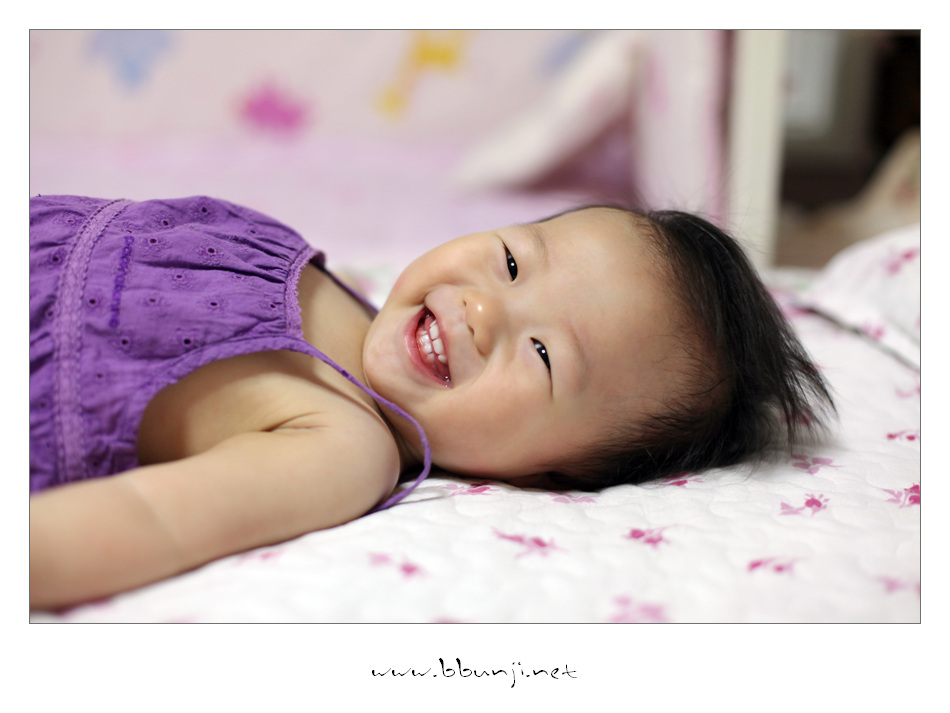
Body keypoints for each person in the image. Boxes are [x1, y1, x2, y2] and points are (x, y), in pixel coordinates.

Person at [29, 195, 832, 609]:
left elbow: (146, 519)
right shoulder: (290, 256)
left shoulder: (340, 448)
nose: (482, 310)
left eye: (544, 355)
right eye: (512, 262)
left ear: (551, 475)